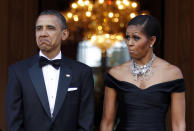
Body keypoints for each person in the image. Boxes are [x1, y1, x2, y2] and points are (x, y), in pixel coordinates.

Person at [6, 10, 94, 131]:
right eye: (39, 28)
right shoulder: (17, 72)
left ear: (64, 34)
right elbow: (13, 124)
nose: (43, 33)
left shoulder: (82, 72)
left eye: (50, 28)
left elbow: (86, 123)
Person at [100, 15, 186, 131]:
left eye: (136, 38)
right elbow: (107, 123)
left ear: (152, 40)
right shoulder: (116, 74)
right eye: (127, 37)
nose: (129, 43)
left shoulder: (172, 73)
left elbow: (179, 125)